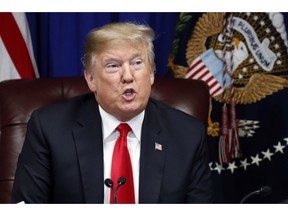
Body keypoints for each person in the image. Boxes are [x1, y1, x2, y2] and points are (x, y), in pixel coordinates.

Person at [11, 22, 214, 203]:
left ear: (151, 73)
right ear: (91, 79)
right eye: (113, 66)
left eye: (137, 63)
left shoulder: (187, 134)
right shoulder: (49, 128)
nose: (128, 76)